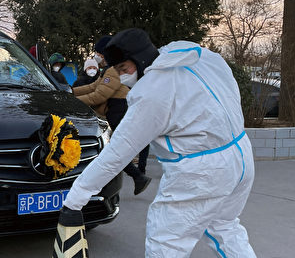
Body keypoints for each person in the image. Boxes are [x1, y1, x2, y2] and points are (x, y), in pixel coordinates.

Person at [63, 28, 256, 257]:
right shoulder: (197, 57)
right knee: (224, 227)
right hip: (240, 155)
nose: (124, 76)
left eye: (125, 69)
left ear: (140, 58)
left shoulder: (153, 91)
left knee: (166, 243)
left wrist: (75, 199)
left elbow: (117, 153)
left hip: (201, 172)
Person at [71, 40, 152, 195]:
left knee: (115, 148)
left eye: (99, 53)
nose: (98, 56)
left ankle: (138, 176)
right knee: (115, 147)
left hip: (118, 109)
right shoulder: (109, 70)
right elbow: (93, 87)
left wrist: (72, 98)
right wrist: (70, 91)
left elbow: (99, 95)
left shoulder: (113, 71)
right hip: (115, 109)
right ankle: (137, 176)